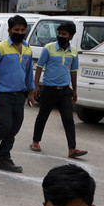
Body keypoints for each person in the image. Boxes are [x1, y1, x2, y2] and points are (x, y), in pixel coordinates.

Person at [0, 15, 35, 173]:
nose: (20, 32)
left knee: (14, 127)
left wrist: (31, 91)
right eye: (16, 30)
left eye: (23, 30)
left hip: (20, 94)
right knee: (5, 123)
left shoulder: (28, 49)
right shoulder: (0, 48)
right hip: (2, 94)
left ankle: (4, 159)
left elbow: (28, 73)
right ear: (9, 30)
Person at [31, 21, 87, 159]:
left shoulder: (73, 52)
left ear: (71, 36)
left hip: (65, 91)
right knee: (42, 116)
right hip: (49, 89)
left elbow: (73, 71)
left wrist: (74, 90)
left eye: (64, 34)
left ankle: (72, 149)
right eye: (59, 33)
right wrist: (36, 86)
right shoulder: (48, 48)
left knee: (68, 119)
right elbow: (39, 67)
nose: (61, 36)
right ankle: (35, 142)